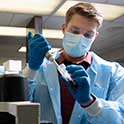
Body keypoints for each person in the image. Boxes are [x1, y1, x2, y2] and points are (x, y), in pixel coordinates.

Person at [23, 2, 124, 124]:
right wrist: (31, 68)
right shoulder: (41, 67)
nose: (80, 38)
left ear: (95, 36)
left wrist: (90, 103)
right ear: (64, 29)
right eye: (75, 31)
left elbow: (120, 119)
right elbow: (16, 105)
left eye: (88, 34)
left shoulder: (113, 72)